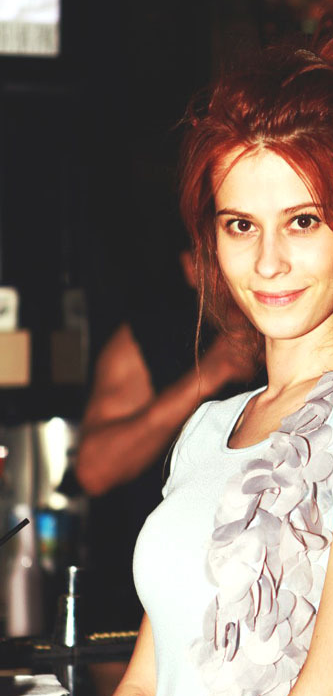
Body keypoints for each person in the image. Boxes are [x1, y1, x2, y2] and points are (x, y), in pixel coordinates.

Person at [97, 19, 333, 696]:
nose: (267, 262)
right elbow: (144, 687)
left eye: (302, 221)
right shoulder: (206, 429)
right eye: (240, 224)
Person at [76, 250, 257, 630]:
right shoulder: (150, 336)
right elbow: (94, 470)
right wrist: (208, 374)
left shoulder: (309, 343)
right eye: (218, 255)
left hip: (262, 600)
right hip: (137, 607)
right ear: (192, 267)